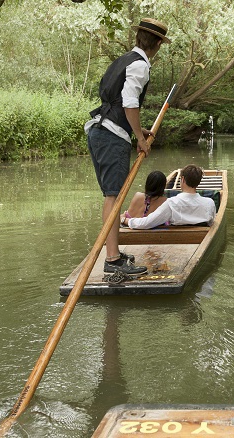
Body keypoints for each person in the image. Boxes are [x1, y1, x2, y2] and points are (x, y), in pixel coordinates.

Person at [84, 18, 171, 275]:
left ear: (137, 39)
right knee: (114, 197)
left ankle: (114, 253)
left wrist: (136, 129)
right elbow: (130, 103)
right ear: (157, 43)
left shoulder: (122, 60)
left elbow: (117, 102)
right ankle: (112, 261)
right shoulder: (140, 65)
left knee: (112, 196)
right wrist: (140, 139)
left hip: (100, 130)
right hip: (112, 136)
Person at [121, 164, 216, 229]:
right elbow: (212, 224)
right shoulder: (210, 203)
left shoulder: (171, 203)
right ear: (198, 182)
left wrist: (125, 220)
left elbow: (146, 223)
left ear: (182, 179)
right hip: (200, 238)